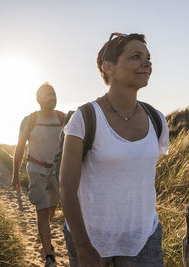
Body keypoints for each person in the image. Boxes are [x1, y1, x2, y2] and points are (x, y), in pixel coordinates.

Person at [59, 33, 169, 267]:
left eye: (148, 57)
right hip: (92, 238)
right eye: (136, 57)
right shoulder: (85, 117)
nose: (147, 63)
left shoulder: (157, 119)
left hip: (144, 238)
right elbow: (67, 187)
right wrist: (83, 248)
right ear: (108, 67)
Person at [12, 82, 65, 267]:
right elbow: (19, 148)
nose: (52, 97)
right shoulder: (29, 120)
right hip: (36, 169)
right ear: (38, 99)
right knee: (42, 210)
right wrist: (15, 174)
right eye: (48, 94)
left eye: (54, 93)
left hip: (57, 172)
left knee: (51, 208)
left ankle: (43, 231)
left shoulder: (63, 119)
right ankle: (49, 255)